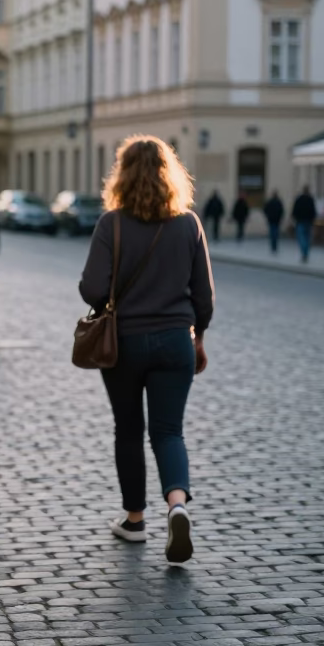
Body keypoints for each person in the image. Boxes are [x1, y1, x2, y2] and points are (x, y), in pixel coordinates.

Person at [79, 137, 214, 565]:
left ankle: (135, 520)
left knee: (128, 430)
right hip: (176, 341)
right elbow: (204, 296)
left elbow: (92, 288)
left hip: (124, 344)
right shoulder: (189, 223)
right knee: (169, 431)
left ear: (122, 174)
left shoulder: (111, 224)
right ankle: (177, 504)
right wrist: (199, 336)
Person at [291, 185, 317, 263]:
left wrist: (295, 218)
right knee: (307, 238)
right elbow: (313, 211)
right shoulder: (310, 199)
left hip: (301, 221)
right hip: (308, 221)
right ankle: (306, 252)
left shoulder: (299, 199)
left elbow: (295, 210)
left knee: (302, 238)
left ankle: (304, 252)